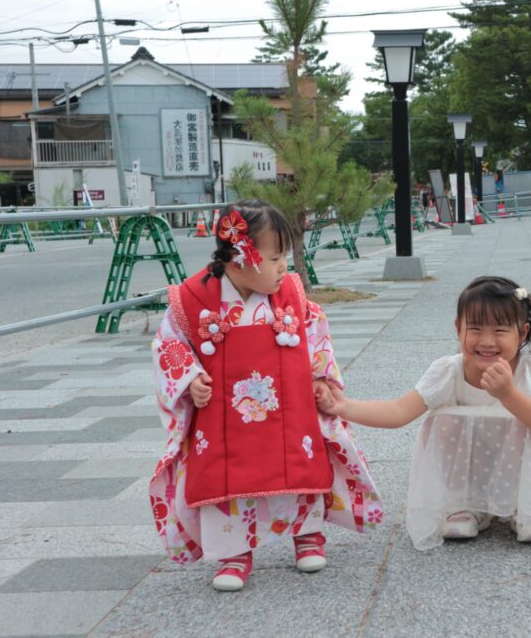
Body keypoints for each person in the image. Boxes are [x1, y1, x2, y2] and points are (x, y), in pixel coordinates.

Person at [149, 200, 382, 592]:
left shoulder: (290, 292)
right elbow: (168, 346)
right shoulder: (192, 300)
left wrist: (322, 376)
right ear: (239, 260)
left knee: (300, 466)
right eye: (274, 259)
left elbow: (316, 333)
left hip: (290, 409)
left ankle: (308, 535)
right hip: (225, 419)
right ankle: (233, 553)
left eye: (284, 258)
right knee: (228, 480)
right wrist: (190, 379)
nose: (282, 268)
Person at [318, 276, 531, 554]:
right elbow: (398, 412)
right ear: (459, 329)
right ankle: (465, 505)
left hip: (522, 477)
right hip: (470, 475)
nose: (487, 341)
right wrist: (343, 407)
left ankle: (526, 509)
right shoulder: (449, 371)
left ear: (523, 333)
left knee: (529, 420)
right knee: (444, 419)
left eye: (500, 330)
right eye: (476, 328)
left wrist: (509, 395)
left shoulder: (530, 370)